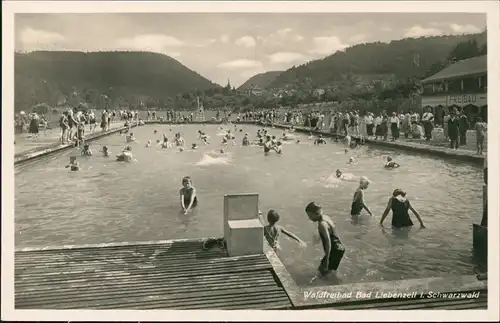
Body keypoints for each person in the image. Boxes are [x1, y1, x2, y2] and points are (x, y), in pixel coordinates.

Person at [305, 202, 345, 277]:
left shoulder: (322, 224)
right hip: (339, 247)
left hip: (334, 249)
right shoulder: (326, 217)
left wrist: (327, 259)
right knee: (329, 271)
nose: (309, 218)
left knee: (322, 271)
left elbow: (328, 241)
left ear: (315, 213)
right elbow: (333, 233)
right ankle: (335, 280)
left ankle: (335, 282)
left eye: (310, 216)